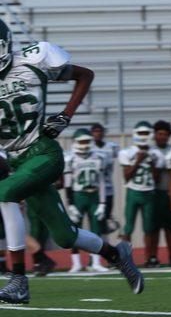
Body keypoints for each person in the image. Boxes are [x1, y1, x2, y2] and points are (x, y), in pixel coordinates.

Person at [0, 25, 143, 303]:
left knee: (4, 192)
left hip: (43, 152)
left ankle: (18, 277)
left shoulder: (32, 61)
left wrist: (66, 115)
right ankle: (118, 255)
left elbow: (84, 74)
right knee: (65, 236)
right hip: (18, 161)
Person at [64, 128, 111, 273]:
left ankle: (95, 262)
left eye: (86, 141)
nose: (84, 144)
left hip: (94, 195)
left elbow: (102, 182)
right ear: (76, 142)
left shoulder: (99, 157)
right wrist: (70, 204)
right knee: (74, 231)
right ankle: (76, 263)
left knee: (96, 230)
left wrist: (103, 203)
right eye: (82, 141)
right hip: (79, 196)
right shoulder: (70, 158)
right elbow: (67, 184)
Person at [119, 121, 165, 267]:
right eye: (141, 133)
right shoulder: (126, 152)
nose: (144, 136)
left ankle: (149, 258)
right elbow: (126, 176)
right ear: (135, 134)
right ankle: (125, 258)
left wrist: (151, 163)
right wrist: (138, 161)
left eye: (146, 133)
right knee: (128, 227)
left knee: (149, 228)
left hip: (149, 193)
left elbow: (157, 179)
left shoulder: (156, 153)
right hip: (133, 191)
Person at [153, 120, 171, 266]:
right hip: (154, 193)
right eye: (159, 134)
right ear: (155, 135)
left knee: (170, 227)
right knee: (154, 227)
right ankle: (152, 257)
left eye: (164, 134)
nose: (162, 137)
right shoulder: (151, 150)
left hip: (169, 192)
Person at [90, 122, 118, 234]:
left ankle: (103, 243)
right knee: (97, 219)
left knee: (105, 219)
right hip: (95, 188)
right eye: (95, 131)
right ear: (91, 133)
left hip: (108, 186)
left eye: (99, 131)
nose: (97, 134)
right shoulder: (88, 147)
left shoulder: (112, 147)